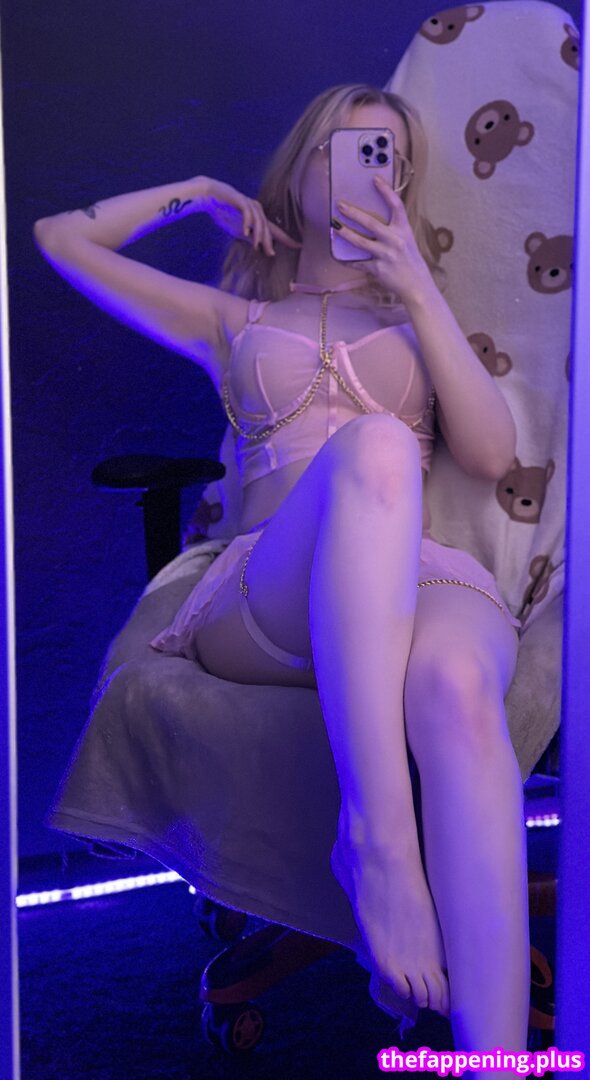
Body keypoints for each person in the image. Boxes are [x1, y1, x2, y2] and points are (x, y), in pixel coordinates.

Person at [33, 84, 529, 1058]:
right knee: (377, 448)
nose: (365, 172)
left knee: (458, 690)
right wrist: (200, 192)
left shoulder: (418, 315)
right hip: (271, 588)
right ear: (301, 166)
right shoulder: (233, 318)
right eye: (345, 150)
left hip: (419, 579)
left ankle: (497, 1061)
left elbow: (490, 455)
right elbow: (61, 239)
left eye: (388, 157)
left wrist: (418, 289)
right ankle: (378, 843)